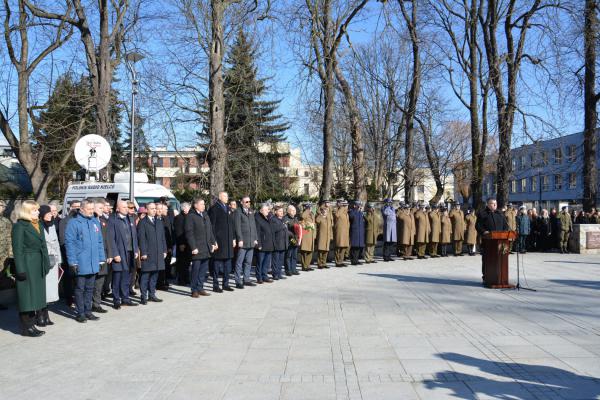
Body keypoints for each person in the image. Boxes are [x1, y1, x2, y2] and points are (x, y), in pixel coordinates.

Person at [12, 200, 50, 336]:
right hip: (27, 263)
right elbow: (17, 250)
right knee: (26, 297)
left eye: (37, 210)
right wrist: (20, 269)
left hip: (37, 263)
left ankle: (32, 325)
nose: (38, 212)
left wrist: (45, 263)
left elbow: (43, 246)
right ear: (27, 212)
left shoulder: (38, 224)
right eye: (35, 210)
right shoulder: (20, 226)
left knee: (36, 297)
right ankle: (26, 327)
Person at [65, 199, 105, 323]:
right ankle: (80, 312)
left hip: (93, 261)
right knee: (80, 288)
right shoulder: (74, 223)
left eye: (93, 209)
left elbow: (99, 242)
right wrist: (73, 262)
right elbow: (69, 243)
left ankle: (88, 311)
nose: (92, 211)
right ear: (81, 209)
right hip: (81, 261)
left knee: (90, 288)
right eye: (89, 209)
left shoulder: (94, 222)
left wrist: (101, 258)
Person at [107, 200, 139, 309]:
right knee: (117, 277)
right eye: (124, 207)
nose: (127, 209)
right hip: (119, 253)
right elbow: (111, 239)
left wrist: (135, 250)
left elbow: (134, 236)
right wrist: (115, 254)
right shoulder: (113, 220)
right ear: (118, 208)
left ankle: (125, 298)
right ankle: (116, 300)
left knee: (127, 276)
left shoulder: (130, 219)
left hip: (129, 252)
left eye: (127, 207)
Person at [185, 198, 217, 297]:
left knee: (203, 270)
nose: (204, 206)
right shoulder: (191, 216)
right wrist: (193, 247)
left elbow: (210, 231)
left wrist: (213, 242)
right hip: (197, 248)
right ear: (195, 205)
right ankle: (194, 290)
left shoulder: (206, 215)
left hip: (206, 248)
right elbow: (189, 233)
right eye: (202, 204)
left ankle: (200, 287)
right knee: (195, 270)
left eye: (204, 204)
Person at [137, 203, 167, 304]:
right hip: (148, 253)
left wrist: (164, 250)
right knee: (145, 276)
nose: (154, 210)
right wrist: (144, 252)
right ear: (146, 210)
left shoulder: (159, 222)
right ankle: (143, 296)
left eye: (155, 208)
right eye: (152, 208)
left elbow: (163, 237)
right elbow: (141, 239)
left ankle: (152, 294)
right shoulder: (142, 222)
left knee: (155, 275)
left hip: (158, 253)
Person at [208, 192, 236, 292]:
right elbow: (212, 226)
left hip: (228, 241)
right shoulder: (214, 208)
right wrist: (213, 240)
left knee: (228, 264)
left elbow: (231, 225)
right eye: (225, 196)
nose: (227, 197)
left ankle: (226, 284)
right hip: (219, 241)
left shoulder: (228, 208)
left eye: (227, 196)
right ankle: (215, 285)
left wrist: (233, 238)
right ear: (220, 197)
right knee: (217, 264)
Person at [476, 198, 509, 282]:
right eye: (492, 203)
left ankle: (500, 277)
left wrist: (505, 232)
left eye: (495, 203)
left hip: (501, 242)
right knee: (487, 260)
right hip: (488, 242)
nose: (494, 205)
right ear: (488, 204)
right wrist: (484, 232)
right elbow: (478, 226)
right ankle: (486, 277)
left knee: (500, 259)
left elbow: (506, 225)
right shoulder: (482, 214)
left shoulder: (500, 214)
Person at [38, 205, 61, 326]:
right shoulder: (38, 225)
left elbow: (56, 243)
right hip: (43, 261)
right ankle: (40, 315)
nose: (50, 214)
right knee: (42, 290)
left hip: (53, 260)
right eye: (47, 213)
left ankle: (46, 314)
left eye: (50, 213)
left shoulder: (51, 225)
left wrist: (59, 259)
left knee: (49, 290)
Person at [58, 199, 80, 307]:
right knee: (68, 278)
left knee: (77, 278)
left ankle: (77, 297)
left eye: (79, 207)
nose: (77, 209)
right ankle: (69, 298)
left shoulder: (80, 220)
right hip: (68, 254)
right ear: (70, 207)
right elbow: (63, 239)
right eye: (75, 207)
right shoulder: (64, 221)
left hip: (79, 255)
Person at [233, 196, 258, 288]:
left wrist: (255, 238)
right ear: (242, 203)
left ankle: (246, 279)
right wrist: (240, 239)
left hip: (251, 241)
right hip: (243, 241)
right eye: (246, 202)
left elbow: (254, 226)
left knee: (248, 261)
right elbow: (237, 227)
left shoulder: (251, 211)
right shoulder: (238, 212)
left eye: (249, 201)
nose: (248, 203)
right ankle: (238, 281)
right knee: (239, 262)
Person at [93, 199, 111, 314]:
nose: (102, 209)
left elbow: (107, 239)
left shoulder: (103, 221)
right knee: (92, 282)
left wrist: (110, 254)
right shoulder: (91, 221)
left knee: (100, 281)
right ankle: (90, 303)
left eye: (102, 207)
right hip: (94, 256)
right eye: (100, 207)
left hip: (103, 254)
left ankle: (96, 304)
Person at [255, 203, 275, 284]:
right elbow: (257, 232)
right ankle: (259, 277)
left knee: (266, 262)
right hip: (262, 244)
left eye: (268, 210)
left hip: (269, 244)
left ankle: (264, 276)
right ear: (261, 210)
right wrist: (258, 244)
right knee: (260, 262)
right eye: (266, 210)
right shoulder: (257, 218)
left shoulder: (269, 218)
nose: (268, 211)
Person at [156, 203, 174, 290]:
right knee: (161, 266)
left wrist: (170, 246)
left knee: (165, 265)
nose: (166, 211)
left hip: (166, 245)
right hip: (160, 247)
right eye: (159, 209)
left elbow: (169, 233)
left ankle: (163, 281)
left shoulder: (165, 219)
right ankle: (160, 283)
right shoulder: (157, 219)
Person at [0, 200, 14, 310]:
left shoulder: (6, 221)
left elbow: (10, 238)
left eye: (2, 206)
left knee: (1, 277)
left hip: (3, 256)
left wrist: (10, 254)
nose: (2, 207)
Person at [174, 202, 192, 285]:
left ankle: (186, 278)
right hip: (182, 244)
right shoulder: (179, 218)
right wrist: (181, 243)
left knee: (187, 263)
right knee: (181, 263)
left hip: (188, 243)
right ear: (184, 208)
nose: (189, 209)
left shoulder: (188, 216)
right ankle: (181, 280)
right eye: (188, 207)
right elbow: (178, 231)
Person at [282, 205, 301, 276]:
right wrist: (291, 234)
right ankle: (288, 270)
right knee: (288, 255)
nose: (294, 211)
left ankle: (294, 269)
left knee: (294, 255)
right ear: (288, 211)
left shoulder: (296, 218)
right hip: (289, 239)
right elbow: (285, 230)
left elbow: (299, 228)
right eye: (293, 210)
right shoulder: (285, 218)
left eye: (295, 210)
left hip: (295, 239)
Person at [271, 205, 288, 280]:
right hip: (277, 243)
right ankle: (275, 274)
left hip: (283, 243)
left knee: (281, 260)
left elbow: (285, 230)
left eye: (282, 211)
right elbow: (274, 229)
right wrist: (283, 226)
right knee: (275, 260)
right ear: (275, 212)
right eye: (280, 211)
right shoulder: (273, 219)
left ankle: (279, 273)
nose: (282, 213)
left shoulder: (283, 220)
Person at [315, 201, 333, 268]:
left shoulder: (328, 219)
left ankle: (324, 263)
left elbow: (330, 228)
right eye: (324, 211)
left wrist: (331, 236)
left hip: (327, 236)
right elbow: (317, 221)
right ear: (322, 211)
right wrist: (321, 215)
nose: (325, 212)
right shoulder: (320, 217)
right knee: (321, 250)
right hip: (322, 237)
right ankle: (319, 263)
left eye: (326, 211)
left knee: (326, 250)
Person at [298, 203, 315, 271]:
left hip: (311, 234)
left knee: (310, 251)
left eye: (310, 207)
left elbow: (314, 224)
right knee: (304, 251)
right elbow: (302, 216)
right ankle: (304, 266)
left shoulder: (312, 214)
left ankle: (308, 265)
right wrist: (307, 210)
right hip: (306, 234)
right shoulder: (304, 213)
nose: (311, 208)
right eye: (309, 207)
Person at [348, 201, 365, 265]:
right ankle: (353, 260)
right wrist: (354, 210)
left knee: (358, 247)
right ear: (354, 206)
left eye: (359, 205)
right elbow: (351, 217)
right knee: (354, 247)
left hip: (360, 232)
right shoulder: (352, 212)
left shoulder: (360, 213)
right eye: (358, 205)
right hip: (354, 232)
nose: (359, 206)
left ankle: (356, 259)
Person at [334, 200, 350, 267]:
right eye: (344, 205)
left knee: (344, 247)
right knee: (338, 247)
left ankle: (341, 261)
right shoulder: (337, 210)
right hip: (339, 233)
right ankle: (337, 262)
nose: (346, 206)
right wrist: (342, 207)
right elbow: (337, 215)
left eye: (346, 205)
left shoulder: (346, 213)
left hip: (345, 233)